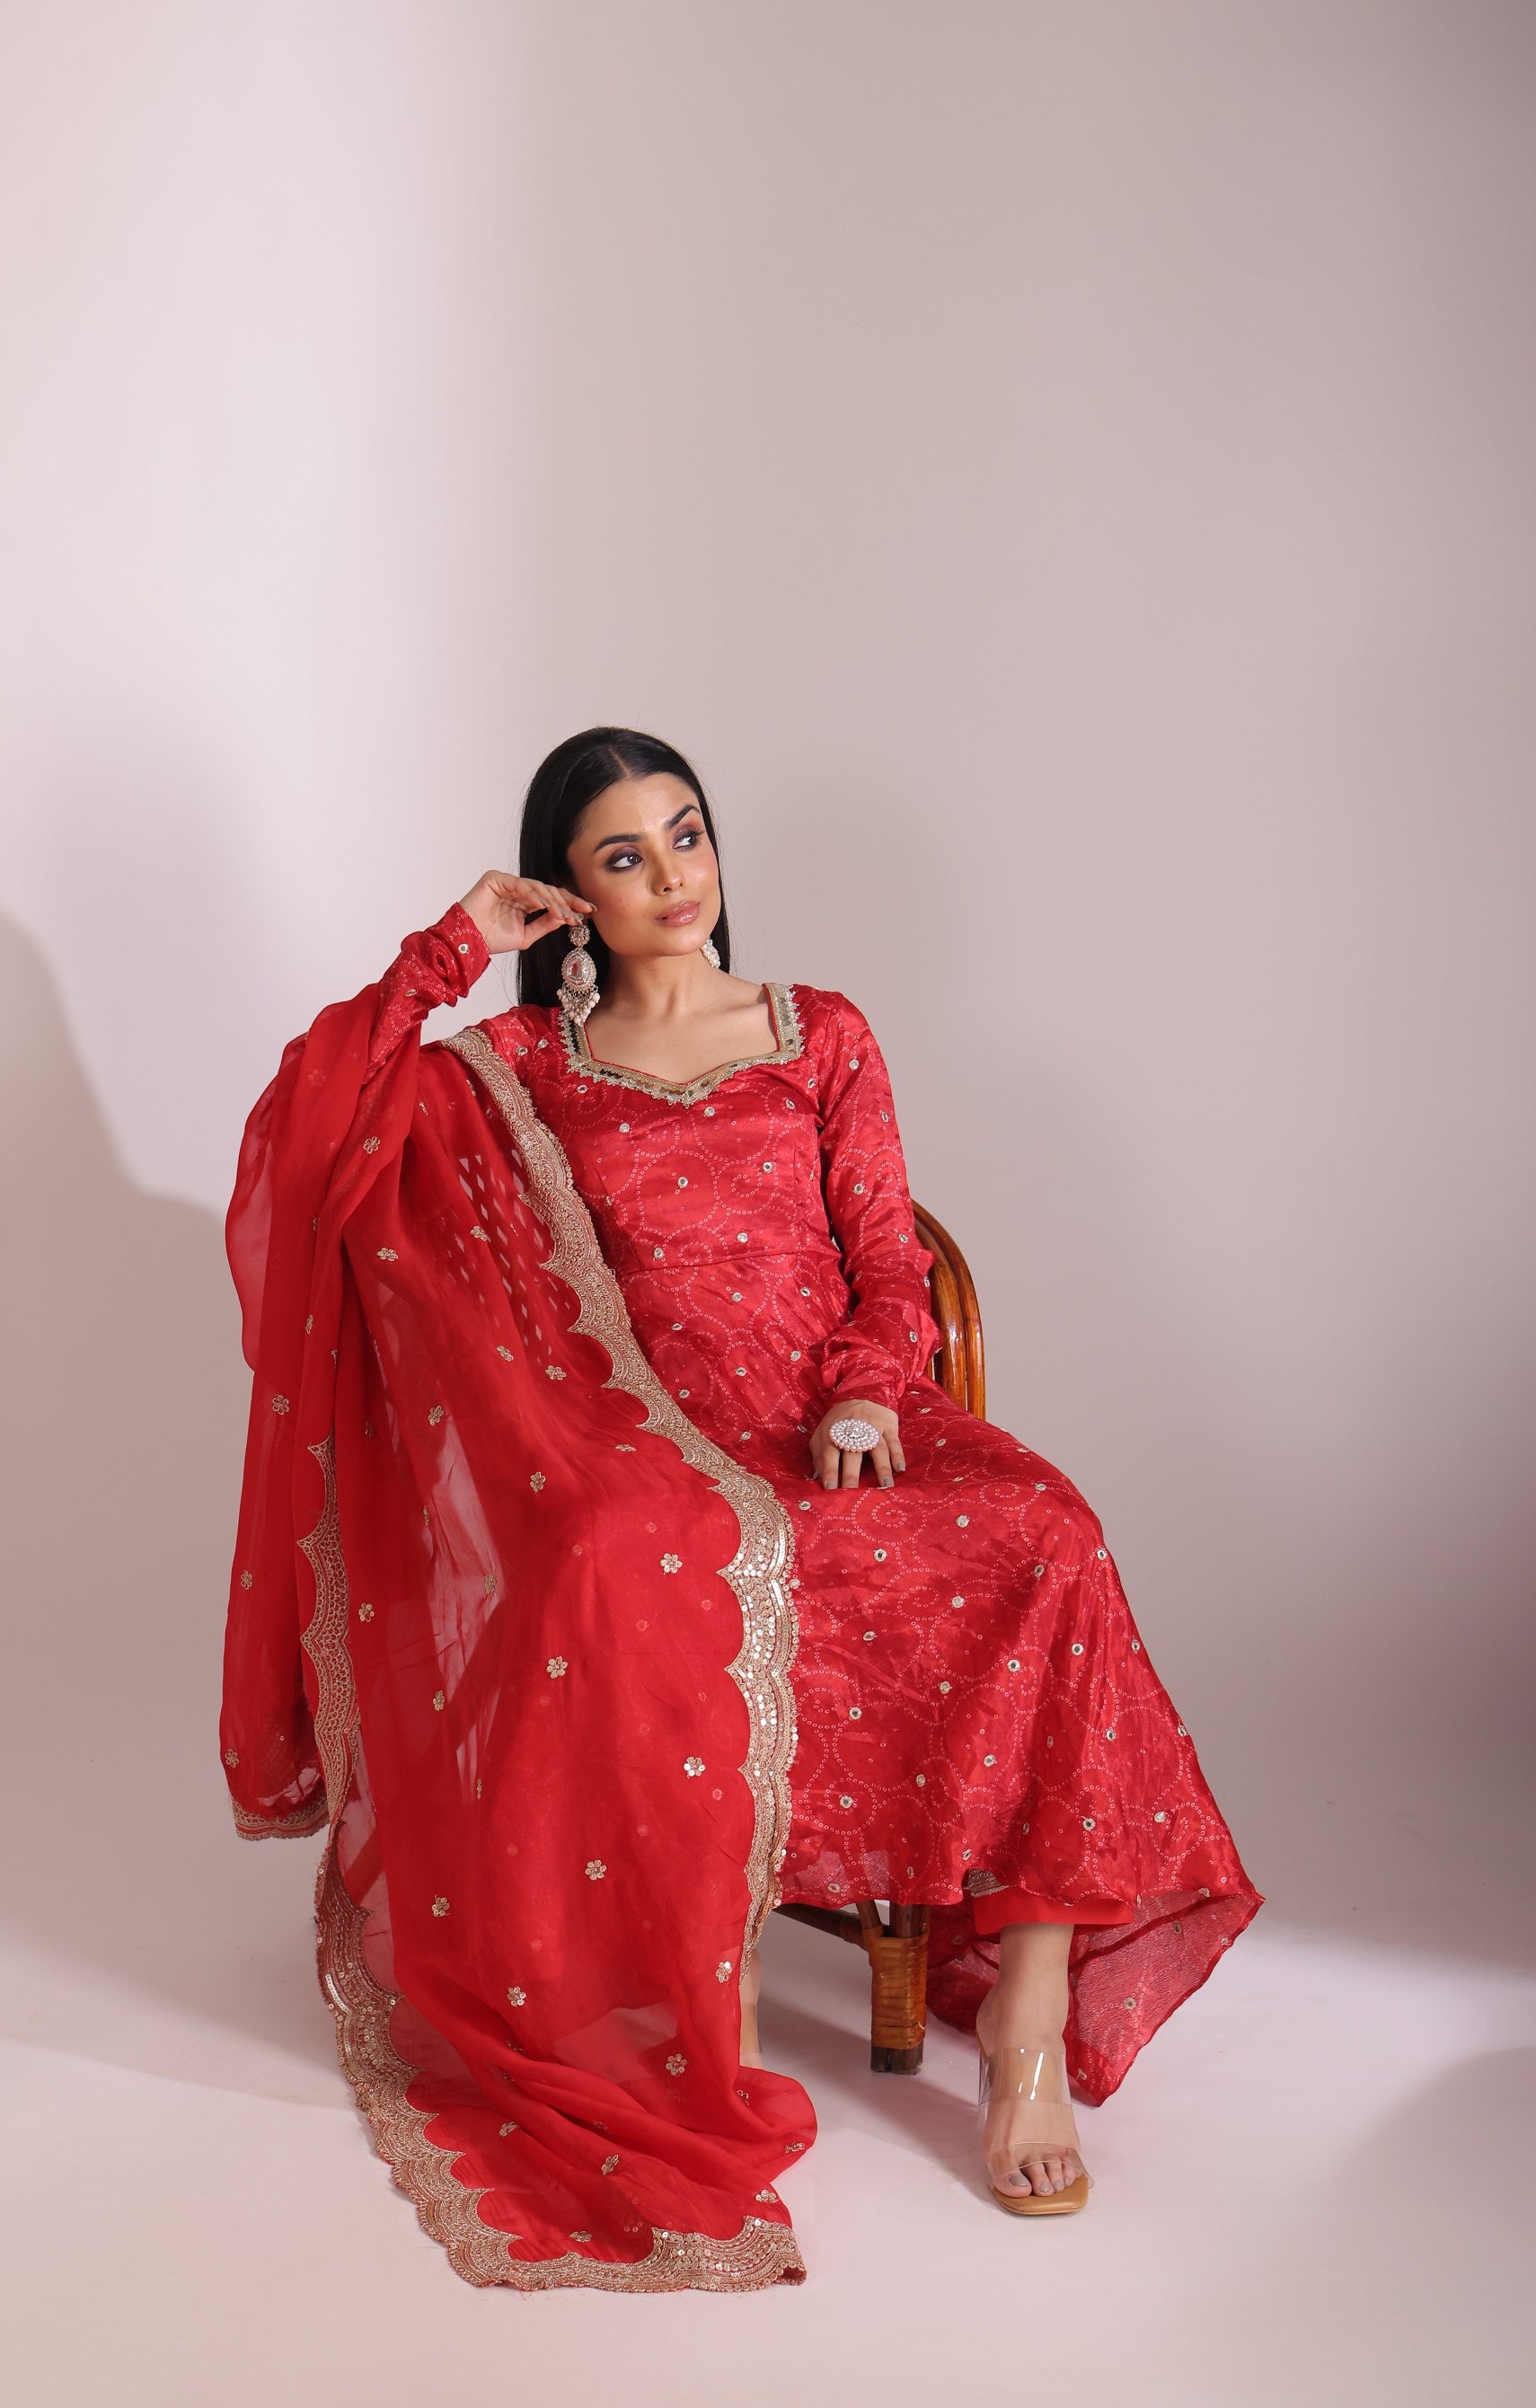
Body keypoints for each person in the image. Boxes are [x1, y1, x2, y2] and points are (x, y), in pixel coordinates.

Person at [221, 727, 1258, 2288]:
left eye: (686, 834)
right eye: (621, 855)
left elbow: (887, 1253)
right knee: (624, 1555)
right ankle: (687, 1978)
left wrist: (866, 1390)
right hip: (638, 1435)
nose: (671, 876)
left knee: (1052, 1532)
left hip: (838, 1414)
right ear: (567, 892)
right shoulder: (524, 1066)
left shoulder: (818, 1029)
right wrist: (455, 944)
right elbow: (315, 1129)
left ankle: (1028, 2018)